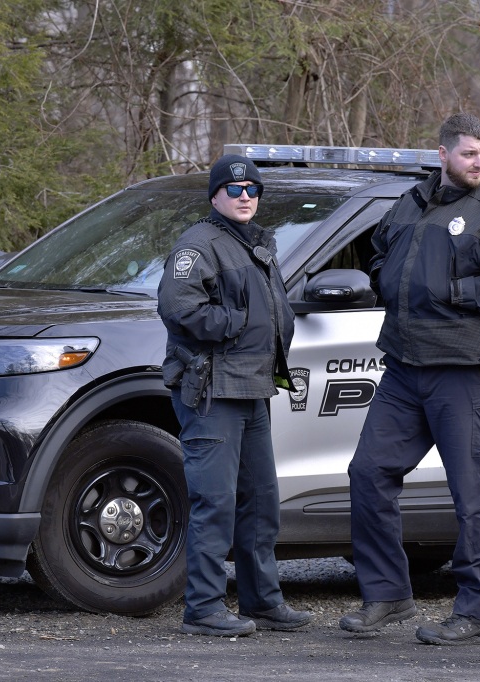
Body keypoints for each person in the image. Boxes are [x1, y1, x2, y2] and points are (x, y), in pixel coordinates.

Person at [338, 113, 480, 645]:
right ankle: (387, 595)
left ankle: (477, 610)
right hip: (405, 370)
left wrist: (458, 294)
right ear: (443, 154)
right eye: (469, 154)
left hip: (464, 373)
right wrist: (389, 282)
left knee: (470, 495)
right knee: (368, 473)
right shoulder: (410, 201)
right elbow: (380, 250)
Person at [157, 154, 313, 637]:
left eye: (252, 189)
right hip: (213, 390)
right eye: (234, 188)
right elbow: (178, 307)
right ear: (215, 195)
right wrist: (237, 325)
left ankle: (262, 603)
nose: (245, 196)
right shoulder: (199, 244)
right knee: (215, 503)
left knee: (261, 503)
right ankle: (203, 610)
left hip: (253, 388)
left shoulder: (256, 245)